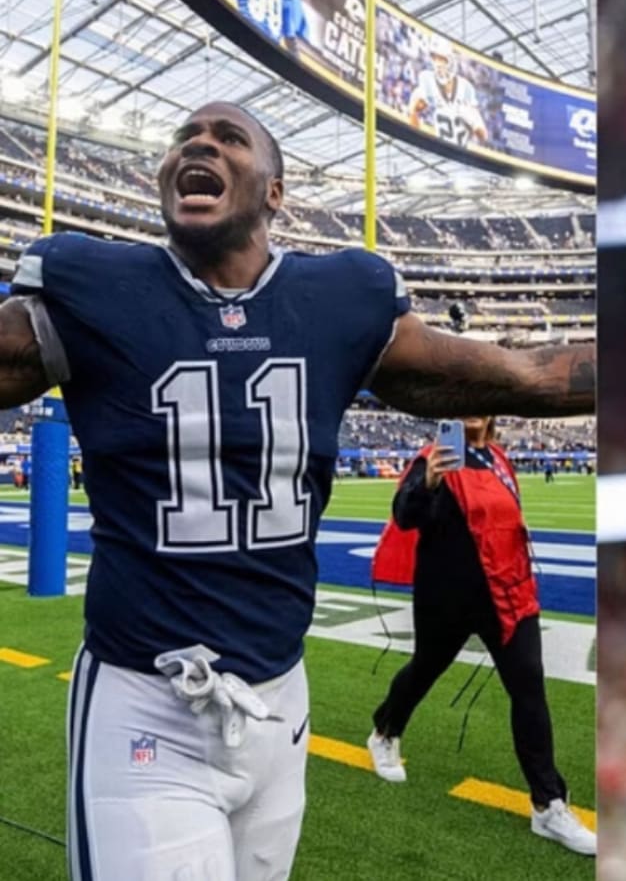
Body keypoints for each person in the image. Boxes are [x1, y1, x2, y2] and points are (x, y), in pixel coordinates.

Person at [0, 100, 594, 880]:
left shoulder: (339, 298)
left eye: (227, 138)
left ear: (274, 193)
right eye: (184, 136)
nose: (198, 145)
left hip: (279, 698)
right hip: (146, 703)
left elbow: (527, 377)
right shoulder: (94, 286)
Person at [367, 415, 596, 856]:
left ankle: (548, 803)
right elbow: (405, 515)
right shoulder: (432, 459)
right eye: (463, 399)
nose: (473, 408)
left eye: (482, 399)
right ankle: (384, 730)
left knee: (529, 687)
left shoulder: (498, 458)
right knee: (424, 671)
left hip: (507, 594)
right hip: (446, 599)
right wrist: (429, 481)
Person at [408, 35, 488, 146]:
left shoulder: (466, 88)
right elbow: (413, 118)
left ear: (450, 60)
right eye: (434, 58)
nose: (437, 63)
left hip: (461, 153)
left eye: (441, 59)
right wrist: (414, 113)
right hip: (437, 147)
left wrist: (473, 122)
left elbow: (483, 135)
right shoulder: (427, 82)